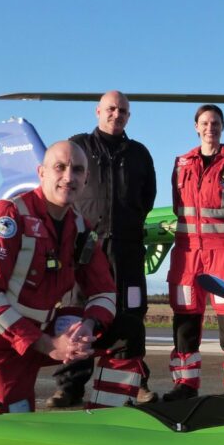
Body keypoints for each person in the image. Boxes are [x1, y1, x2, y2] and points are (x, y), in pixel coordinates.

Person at [0, 140, 117, 413]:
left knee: (126, 333)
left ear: (86, 178)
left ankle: (111, 417)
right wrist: (50, 345)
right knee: (9, 430)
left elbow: (105, 291)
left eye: (77, 170)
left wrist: (88, 327)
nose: (69, 177)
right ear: (41, 172)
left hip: (39, 332)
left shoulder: (80, 229)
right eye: (60, 167)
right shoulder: (7, 217)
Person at [47, 90, 158, 407]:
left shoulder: (139, 154)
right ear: (98, 111)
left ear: (128, 116)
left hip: (127, 248)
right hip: (85, 244)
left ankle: (133, 384)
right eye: (111, 109)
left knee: (130, 316)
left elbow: (146, 197)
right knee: (77, 313)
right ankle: (70, 386)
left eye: (122, 110)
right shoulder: (79, 145)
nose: (116, 114)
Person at [164, 104, 224, 401]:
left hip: (223, 255)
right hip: (187, 253)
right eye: (204, 122)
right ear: (196, 127)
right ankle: (185, 385)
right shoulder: (181, 164)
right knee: (185, 320)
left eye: (215, 123)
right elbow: (180, 208)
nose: (210, 127)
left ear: (222, 126)